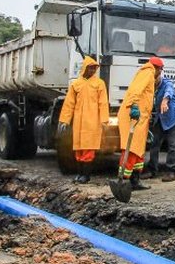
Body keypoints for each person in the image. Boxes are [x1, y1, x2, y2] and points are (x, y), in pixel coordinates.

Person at [58, 56, 110, 184]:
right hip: (78, 122)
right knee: (78, 148)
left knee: (88, 148)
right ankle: (80, 174)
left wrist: (104, 120)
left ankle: (86, 175)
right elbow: (69, 103)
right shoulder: (76, 84)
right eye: (90, 68)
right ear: (85, 68)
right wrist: (64, 120)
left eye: (94, 68)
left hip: (92, 122)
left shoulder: (99, 83)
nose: (92, 71)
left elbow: (103, 103)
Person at [116, 56, 164, 191]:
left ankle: (135, 181)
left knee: (138, 150)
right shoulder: (147, 73)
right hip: (133, 116)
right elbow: (135, 91)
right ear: (157, 68)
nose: (160, 73)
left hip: (140, 119)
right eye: (160, 70)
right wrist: (133, 106)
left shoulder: (148, 74)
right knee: (131, 149)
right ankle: (123, 182)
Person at [147, 66, 175, 182]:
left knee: (172, 145)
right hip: (160, 117)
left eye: (155, 79)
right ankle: (152, 170)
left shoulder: (167, 83)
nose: (154, 82)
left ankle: (171, 171)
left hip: (174, 117)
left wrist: (165, 100)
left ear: (159, 77)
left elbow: (169, 92)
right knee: (154, 143)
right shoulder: (149, 86)